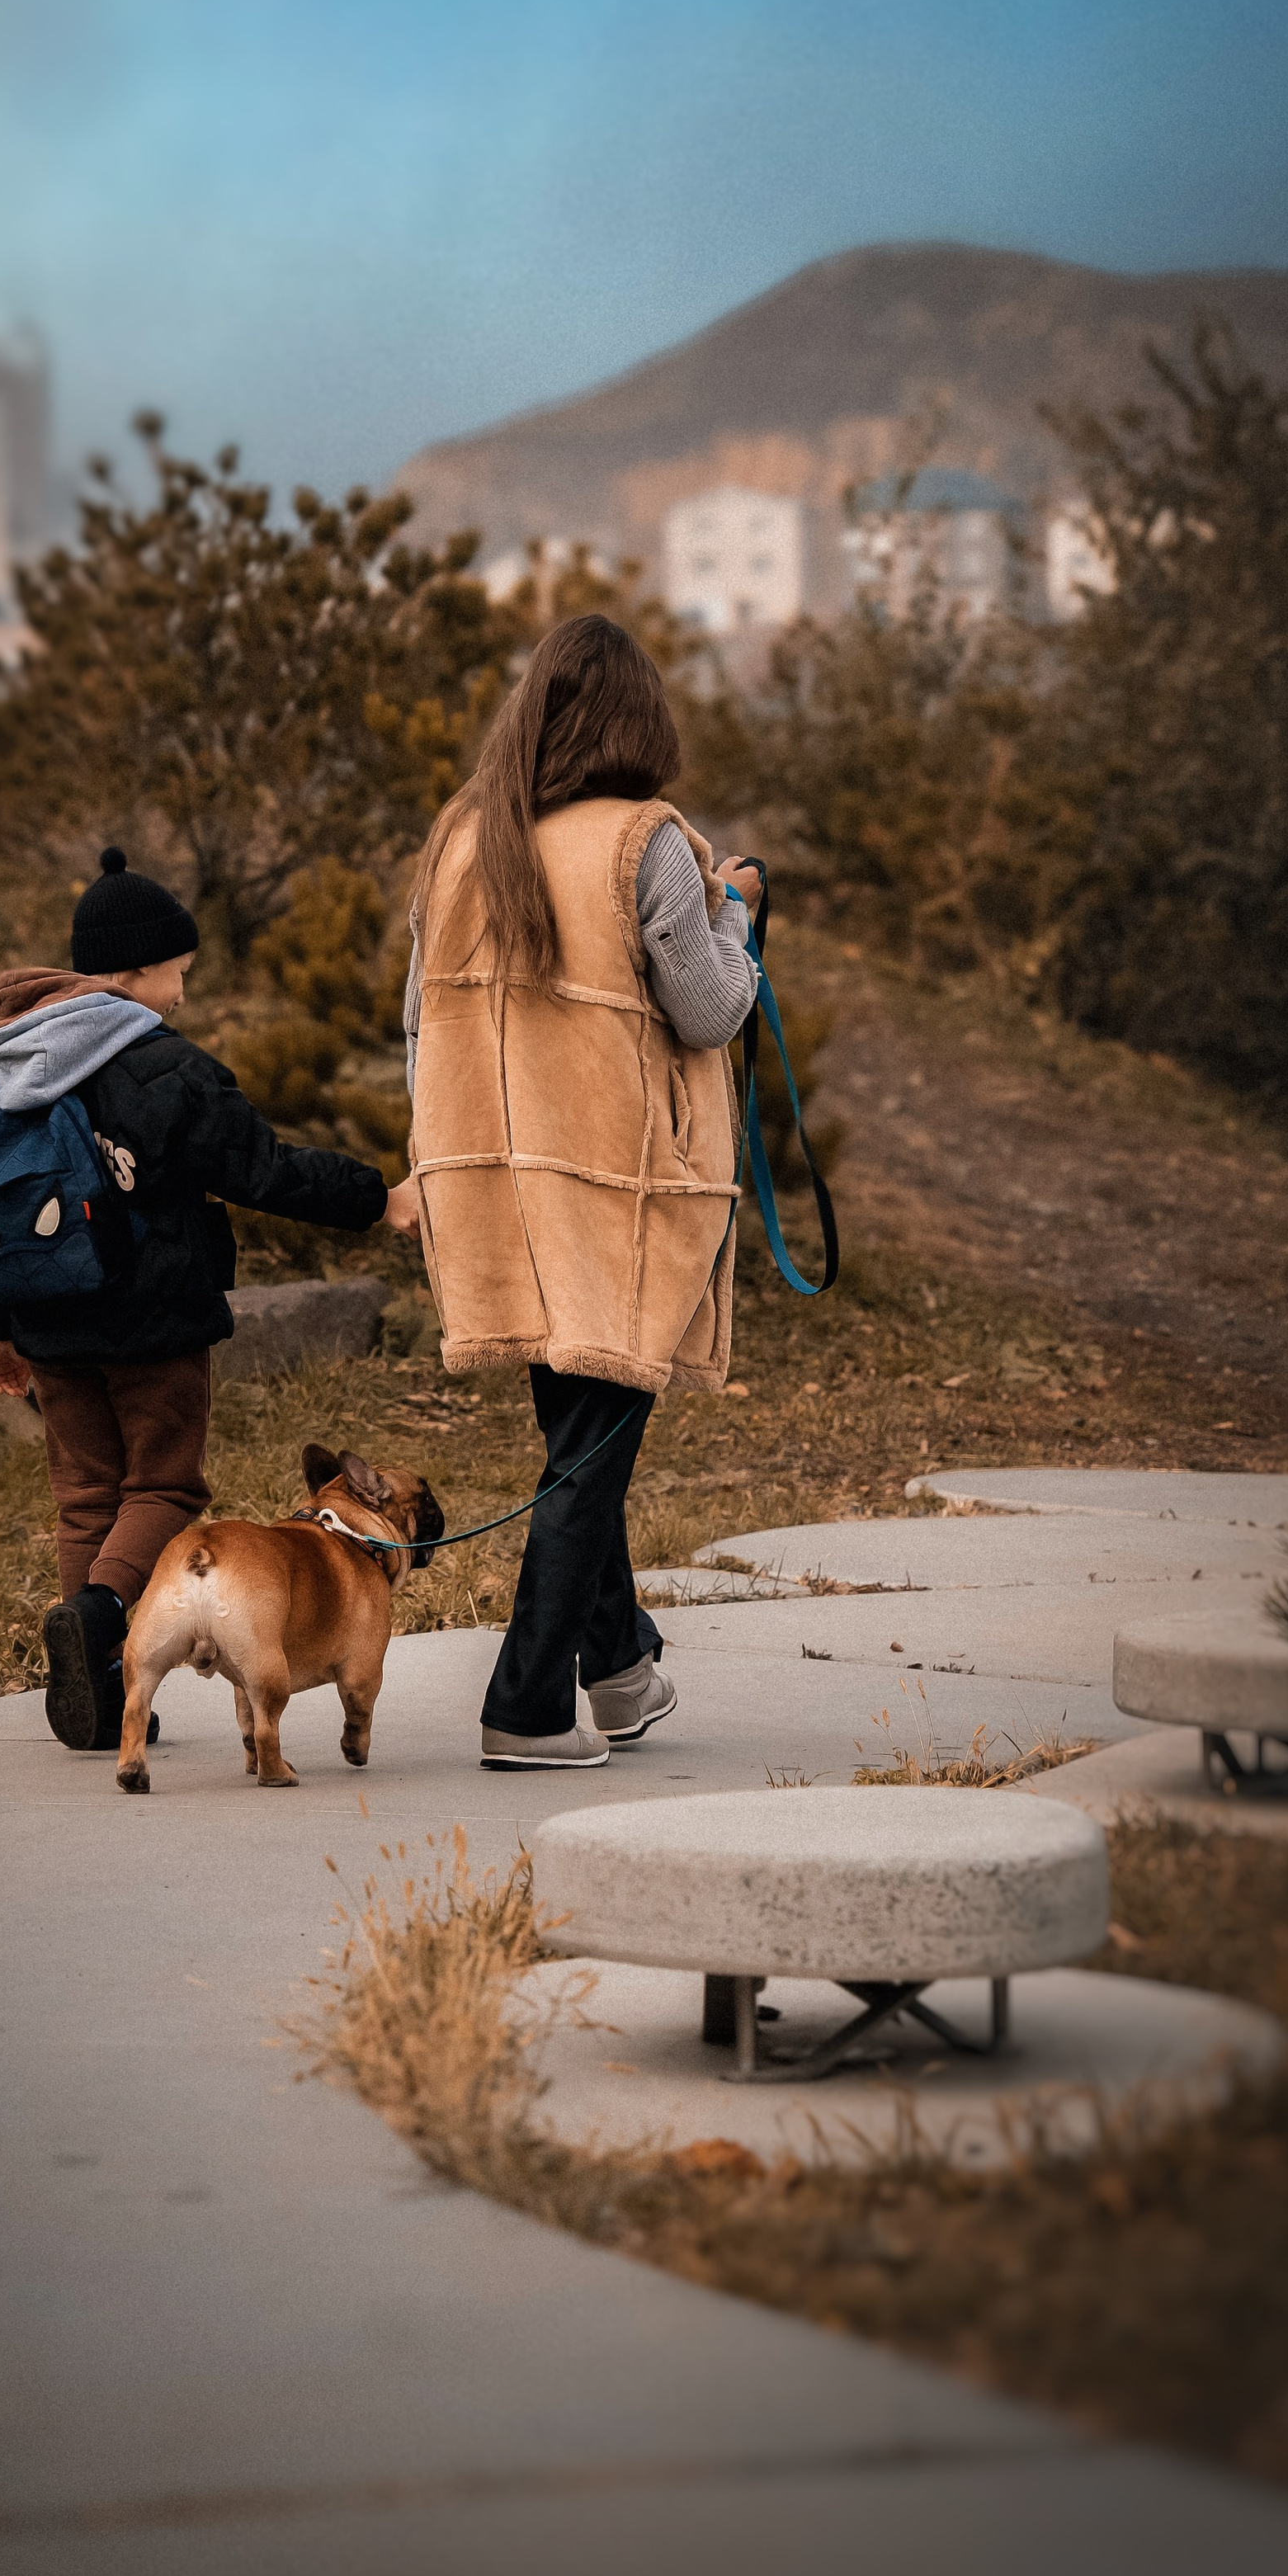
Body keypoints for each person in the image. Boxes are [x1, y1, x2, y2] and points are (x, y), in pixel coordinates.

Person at [403, 614, 762, 1767]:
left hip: (499, 1186)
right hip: (621, 1195)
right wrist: (736, 913)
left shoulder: (464, 837)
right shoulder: (647, 844)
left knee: (579, 1443)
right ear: (640, 720)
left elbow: (421, 1022)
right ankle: (524, 1706)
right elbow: (709, 1009)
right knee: (590, 1451)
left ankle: (617, 1674)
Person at [0, 847, 415, 1752]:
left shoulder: (14, 1066)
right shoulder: (166, 1068)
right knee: (165, 1485)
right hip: (151, 1319)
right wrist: (380, 1197)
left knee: (87, 1497)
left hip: (47, 1320)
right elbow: (266, 1170)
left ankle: (96, 1688)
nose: (182, 989)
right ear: (135, 968)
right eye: (179, 970)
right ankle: (100, 1620)